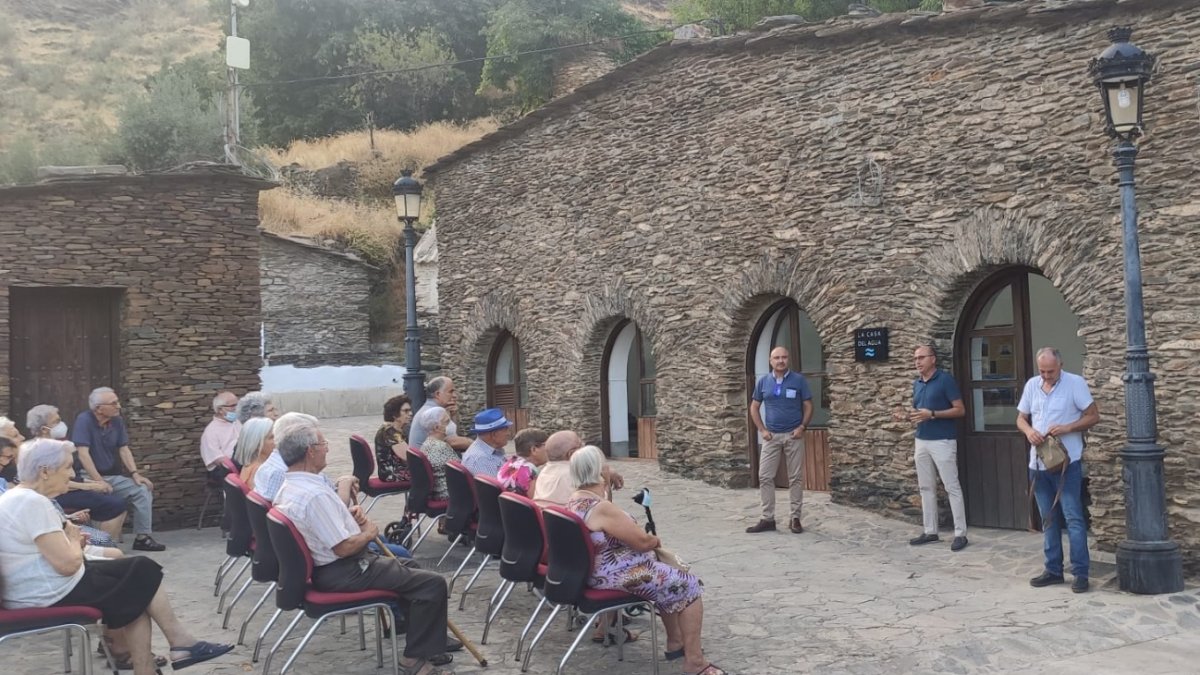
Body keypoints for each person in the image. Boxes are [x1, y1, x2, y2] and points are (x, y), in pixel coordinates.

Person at [0, 439, 233, 675]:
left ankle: (159, 660)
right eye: (68, 467)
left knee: (136, 585)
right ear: (45, 471)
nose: (71, 474)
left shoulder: (19, 498)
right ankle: (179, 645)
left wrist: (75, 542)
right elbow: (67, 564)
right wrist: (72, 539)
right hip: (45, 592)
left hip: (36, 587)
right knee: (141, 570)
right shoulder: (31, 503)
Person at [271, 414, 454, 675]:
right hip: (346, 569)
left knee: (409, 566)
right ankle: (414, 659)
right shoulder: (313, 495)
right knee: (432, 583)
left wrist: (347, 519)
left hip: (338, 567)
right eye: (323, 444)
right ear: (310, 452)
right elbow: (344, 548)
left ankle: (421, 638)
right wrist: (369, 531)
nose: (327, 449)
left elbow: (327, 531)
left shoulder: (290, 486)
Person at [565, 446, 723, 675]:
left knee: (666, 577)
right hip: (615, 575)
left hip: (593, 572)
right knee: (688, 584)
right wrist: (654, 541)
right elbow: (641, 542)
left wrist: (606, 488)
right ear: (599, 470)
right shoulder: (601, 508)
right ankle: (695, 661)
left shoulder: (576, 500)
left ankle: (676, 641)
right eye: (605, 465)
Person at [1017, 347, 1100, 594]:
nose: (1046, 376)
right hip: (1039, 464)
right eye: (1042, 371)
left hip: (1066, 464)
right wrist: (1028, 431)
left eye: (1050, 371)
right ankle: (1053, 570)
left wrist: (1068, 427)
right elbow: (1021, 418)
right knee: (1048, 518)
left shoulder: (1075, 383)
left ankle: (1080, 573)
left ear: (1060, 365)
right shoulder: (1033, 385)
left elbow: (1093, 416)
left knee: (1074, 518)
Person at [892, 345, 968, 551]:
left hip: (943, 440)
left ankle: (961, 533)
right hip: (921, 439)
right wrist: (907, 416)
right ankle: (930, 531)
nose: (917, 362)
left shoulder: (945, 380)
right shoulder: (917, 384)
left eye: (921, 358)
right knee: (925, 487)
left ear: (933, 359)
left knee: (951, 486)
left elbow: (960, 410)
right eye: (915, 358)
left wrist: (933, 414)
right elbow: (920, 413)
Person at [71, 388, 165, 552]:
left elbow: (124, 448)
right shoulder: (84, 420)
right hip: (88, 476)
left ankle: (142, 537)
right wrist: (98, 481)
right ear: (98, 408)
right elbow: (83, 454)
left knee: (142, 489)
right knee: (107, 500)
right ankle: (99, 545)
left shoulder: (117, 421)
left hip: (112, 475)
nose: (118, 406)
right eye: (113, 403)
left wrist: (135, 473)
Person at [27, 405, 129, 545]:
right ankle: (104, 545)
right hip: (56, 494)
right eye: (56, 422)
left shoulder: (58, 445)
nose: (61, 425)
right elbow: (56, 481)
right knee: (116, 504)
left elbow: (71, 475)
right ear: (44, 429)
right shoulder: (40, 450)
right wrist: (89, 487)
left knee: (109, 495)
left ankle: (106, 544)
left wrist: (92, 483)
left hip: (69, 488)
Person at [747, 346, 813, 535]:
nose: (781, 361)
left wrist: (802, 427)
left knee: (795, 478)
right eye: (777, 358)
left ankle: (795, 518)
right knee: (765, 476)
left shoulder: (799, 380)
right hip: (771, 436)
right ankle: (767, 519)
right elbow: (754, 407)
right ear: (770, 360)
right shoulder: (763, 382)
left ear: (788, 359)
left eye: (784, 357)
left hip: (794, 435)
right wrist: (762, 430)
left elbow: (808, 406)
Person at [408, 378, 470, 452]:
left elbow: (453, 435)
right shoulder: (435, 412)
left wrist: (453, 415)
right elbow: (452, 441)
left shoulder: (429, 409)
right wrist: (474, 444)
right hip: (433, 460)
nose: (455, 396)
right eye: (451, 392)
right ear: (437, 394)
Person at [414, 407, 459, 502]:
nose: (451, 424)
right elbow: (461, 471)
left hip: (436, 491)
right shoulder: (441, 447)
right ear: (436, 428)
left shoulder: (426, 443)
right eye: (447, 422)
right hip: (447, 493)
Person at [461, 408, 513, 478]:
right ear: (494, 434)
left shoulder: (489, 451)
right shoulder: (480, 460)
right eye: (506, 430)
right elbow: (497, 488)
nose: (508, 433)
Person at [374, 395, 414, 483]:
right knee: (430, 475)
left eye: (410, 410)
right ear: (395, 415)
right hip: (392, 474)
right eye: (406, 411)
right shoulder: (390, 431)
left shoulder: (392, 428)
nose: (410, 413)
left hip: (395, 471)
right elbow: (409, 457)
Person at [498, 428, 548, 497]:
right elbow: (537, 502)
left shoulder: (510, 462)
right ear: (534, 449)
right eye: (546, 445)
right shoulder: (529, 470)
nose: (549, 449)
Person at [200, 392, 241, 471]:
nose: (236, 408)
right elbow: (217, 458)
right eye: (232, 406)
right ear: (220, 410)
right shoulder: (211, 431)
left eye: (237, 405)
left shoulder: (239, 422)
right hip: (226, 470)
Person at [234, 418, 275, 490]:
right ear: (256, 444)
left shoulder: (251, 464)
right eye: (271, 437)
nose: (277, 440)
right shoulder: (261, 471)